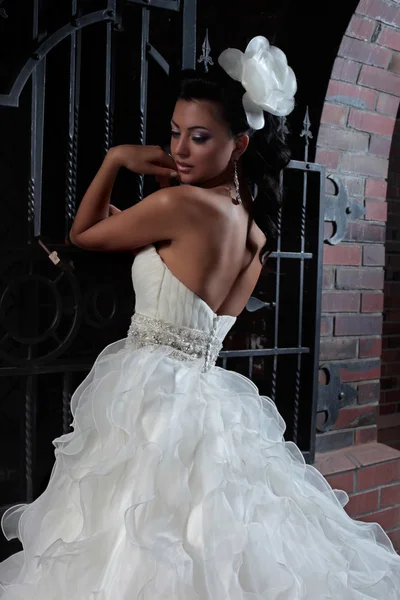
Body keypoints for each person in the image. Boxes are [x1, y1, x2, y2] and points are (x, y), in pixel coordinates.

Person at [0, 35, 399, 599]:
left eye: (200, 137)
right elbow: (204, 300)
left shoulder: (180, 206)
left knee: (129, 545)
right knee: (201, 547)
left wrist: (118, 158)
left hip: (150, 396)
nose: (180, 149)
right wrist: (149, 218)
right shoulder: (254, 231)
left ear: (238, 145)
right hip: (208, 397)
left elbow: (82, 235)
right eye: (174, 133)